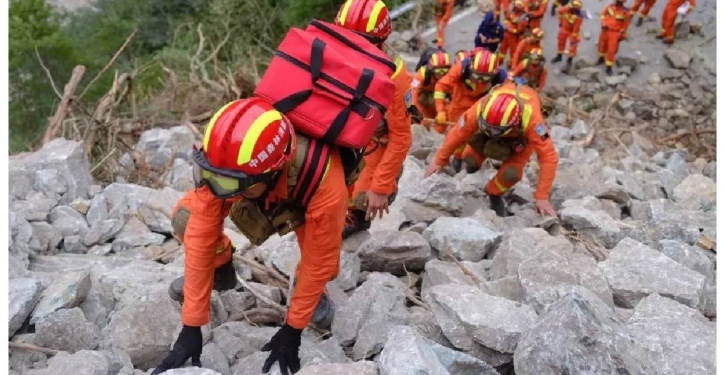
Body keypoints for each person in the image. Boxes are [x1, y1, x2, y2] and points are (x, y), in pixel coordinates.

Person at [153, 97, 354, 375]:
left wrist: (292, 330)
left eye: (227, 183)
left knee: (325, 266)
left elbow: (320, 260)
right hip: (258, 188)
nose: (216, 189)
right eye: (209, 175)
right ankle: (221, 268)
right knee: (186, 219)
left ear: (273, 171)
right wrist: (191, 325)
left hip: (304, 196)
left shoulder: (325, 184)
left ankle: (314, 296)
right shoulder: (226, 164)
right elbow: (200, 231)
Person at [336, 0, 413, 238]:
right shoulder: (330, 55)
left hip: (375, 142)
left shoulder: (395, 78)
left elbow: (400, 137)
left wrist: (381, 187)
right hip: (341, 134)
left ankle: (357, 218)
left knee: (360, 197)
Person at [424, 81, 558, 217]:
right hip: (489, 128)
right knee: (470, 158)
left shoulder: (533, 121)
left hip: (518, 139)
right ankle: (472, 171)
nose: (492, 132)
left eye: (495, 130)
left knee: (511, 174)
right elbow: (458, 133)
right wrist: (440, 159)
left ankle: (494, 193)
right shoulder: (480, 108)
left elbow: (549, 157)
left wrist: (541, 197)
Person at [434, 48, 508, 172]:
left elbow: (506, 97)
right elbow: (441, 86)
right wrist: (440, 110)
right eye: (476, 76)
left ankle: (473, 160)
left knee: (477, 135)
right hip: (458, 105)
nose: (479, 80)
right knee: (457, 134)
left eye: (484, 78)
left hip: (481, 106)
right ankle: (457, 159)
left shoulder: (502, 77)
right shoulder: (461, 68)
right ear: (471, 68)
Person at [412, 50, 452, 125]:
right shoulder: (423, 73)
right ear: (432, 70)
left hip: (442, 96)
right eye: (438, 71)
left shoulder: (452, 75)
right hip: (425, 94)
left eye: (444, 71)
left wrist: (443, 112)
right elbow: (413, 92)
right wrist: (417, 112)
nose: (441, 74)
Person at [598, 0, 632, 75]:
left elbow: (625, 25)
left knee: (611, 50)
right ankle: (601, 58)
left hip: (614, 33)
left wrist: (622, 35)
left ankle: (609, 67)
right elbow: (603, 14)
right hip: (605, 30)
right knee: (602, 45)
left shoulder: (625, 12)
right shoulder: (610, 7)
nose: (617, 2)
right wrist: (603, 22)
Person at [552, 0, 583, 73]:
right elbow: (560, 12)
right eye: (574, 8)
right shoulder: (566, 9)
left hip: (572, 32)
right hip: (564, 29)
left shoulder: (579, 17)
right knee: (560, 42)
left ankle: (569, 61)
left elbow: (576, 28)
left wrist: (574, 37)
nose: (575, 10)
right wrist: (560, 22)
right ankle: (559, 56)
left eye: (577, 8)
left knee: (572, 47)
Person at [499, 0, 529, 67]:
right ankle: (500, 60)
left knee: (513, 51)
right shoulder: (512, 11)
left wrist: (510, 29)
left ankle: (512, 63)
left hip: (514, 37)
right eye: (516, 5)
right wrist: (506, 24)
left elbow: (519, 31)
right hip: (506, 34)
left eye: (518, 6)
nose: (516, 7)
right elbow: (506, 19)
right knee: (502, 48)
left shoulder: (523, 18)